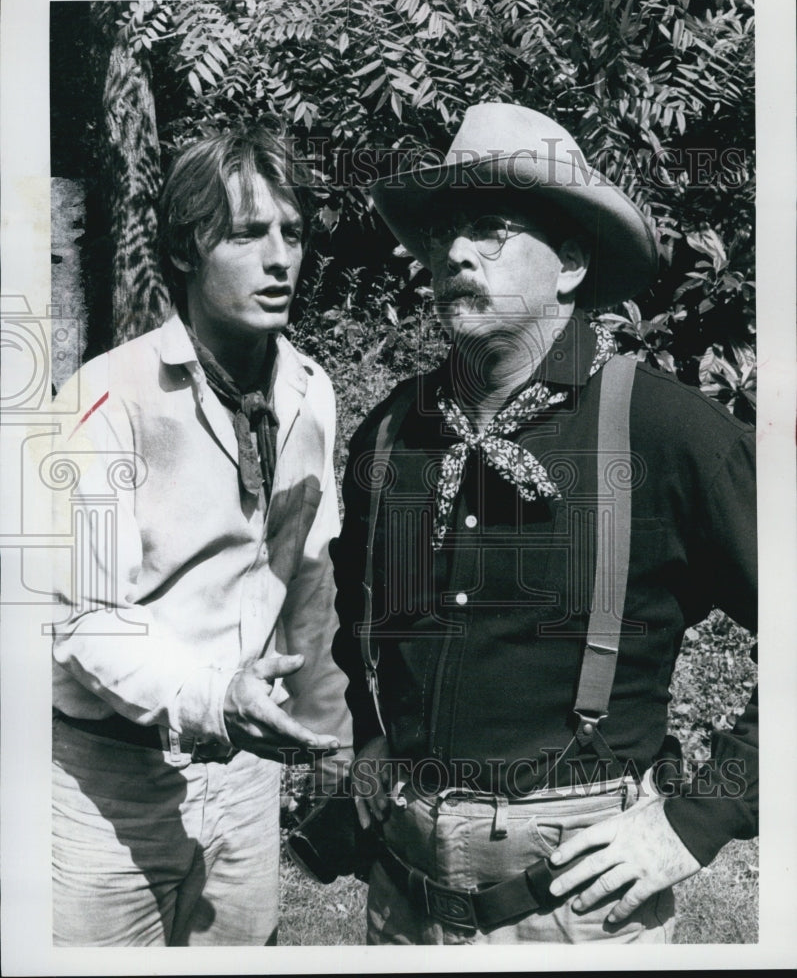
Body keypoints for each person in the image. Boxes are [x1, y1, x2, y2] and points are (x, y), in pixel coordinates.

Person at [331, 103, 757, 944]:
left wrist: (697, 821)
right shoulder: (389, 433)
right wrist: (370, 734)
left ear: (568, 262)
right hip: (403, 895)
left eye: (490, 230)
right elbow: (356, 616)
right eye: (446, 232)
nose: (452, 252)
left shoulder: (667, 434)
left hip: (579, 906)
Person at [48, 125, 352, 946]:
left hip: (250, 779)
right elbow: (82, 620)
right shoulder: (102, 401)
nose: (280, 258)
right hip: (110, 784)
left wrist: (328, 736)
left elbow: (310, 576)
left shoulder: (309, 394)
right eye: (248, 234)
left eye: (292, 233)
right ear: (185, 252)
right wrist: (216, 697)